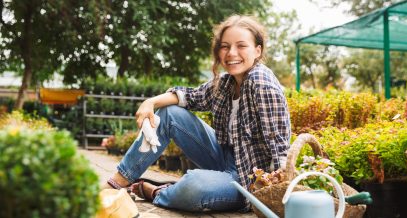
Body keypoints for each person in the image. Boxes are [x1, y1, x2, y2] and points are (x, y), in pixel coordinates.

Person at [103, 14, 291, 212]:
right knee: (169, 113)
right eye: (225, 46)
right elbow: (189, 96)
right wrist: (150, 102)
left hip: (248, 182)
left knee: (195, 185)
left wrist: (274, 196)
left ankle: (158, 192)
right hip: (224, 158)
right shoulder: (226, 83)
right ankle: (119, 181)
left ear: (257, 50)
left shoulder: (261, 82)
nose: (231, 53)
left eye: (241, 46)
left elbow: (279, 146)